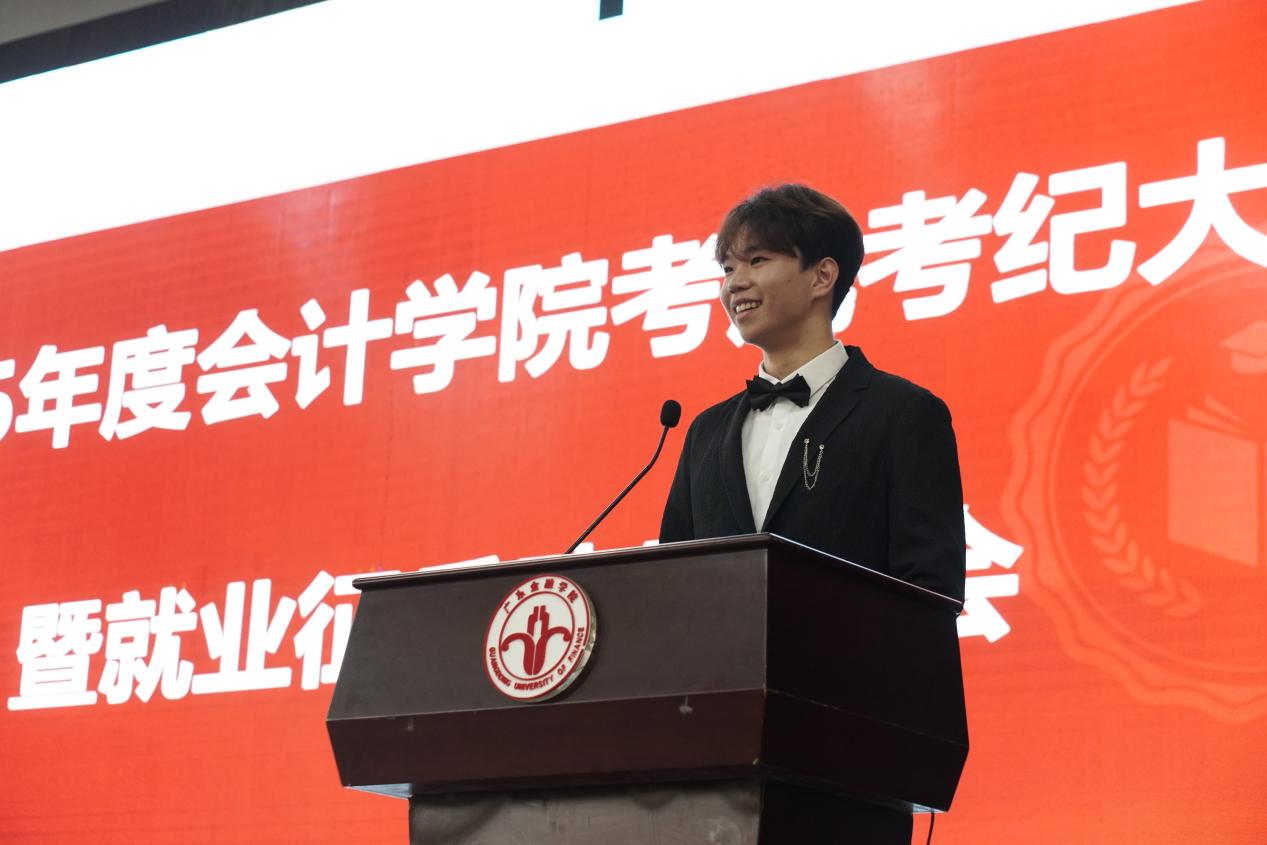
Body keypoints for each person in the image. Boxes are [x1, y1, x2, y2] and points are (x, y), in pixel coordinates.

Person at [659, 184, 965, 603]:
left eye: (757, 260)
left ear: (822, 276)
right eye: (728, 269)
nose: (735, 284)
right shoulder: (705, 432)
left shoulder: (903, 413)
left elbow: (930, 589)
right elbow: (671, 584)